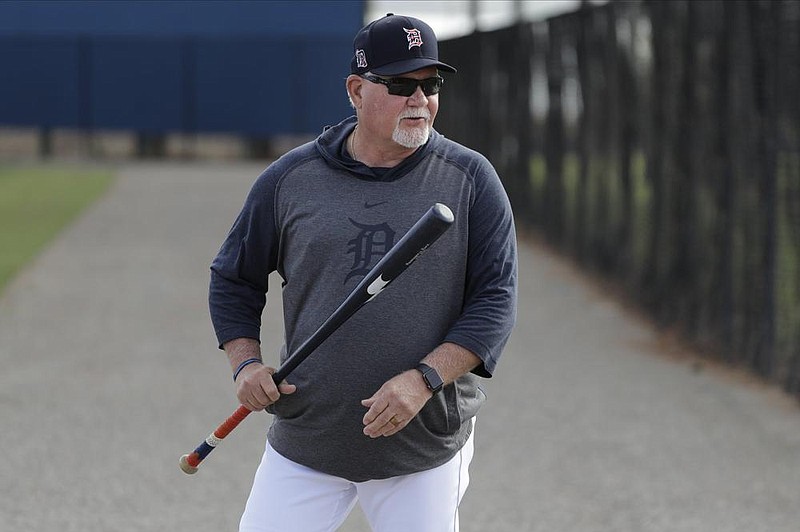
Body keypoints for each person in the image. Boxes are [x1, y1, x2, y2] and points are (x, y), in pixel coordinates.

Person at [209, 13, 517, 532]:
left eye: (430, 84)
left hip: (420, 445)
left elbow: (495, 301)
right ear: (356, 90)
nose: (419, 99)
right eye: (400, 84)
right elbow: (233, 278)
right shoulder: (290, 179)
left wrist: (424, 380)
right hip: (309, 434)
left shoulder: (471, 179)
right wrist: (246, 364)